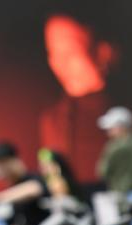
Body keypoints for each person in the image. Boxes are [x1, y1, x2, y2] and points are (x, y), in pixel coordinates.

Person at [39, 14, 115, 183]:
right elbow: (48, 163)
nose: (61, 63)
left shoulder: (125, 112)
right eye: (54, 53)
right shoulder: (52, 120)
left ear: (102, 52)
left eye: (71, 51)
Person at [0, 142, 51, 225]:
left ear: (14, 161)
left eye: (2, 163)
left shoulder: (33, 178)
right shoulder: (11, 190)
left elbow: (34, 188)